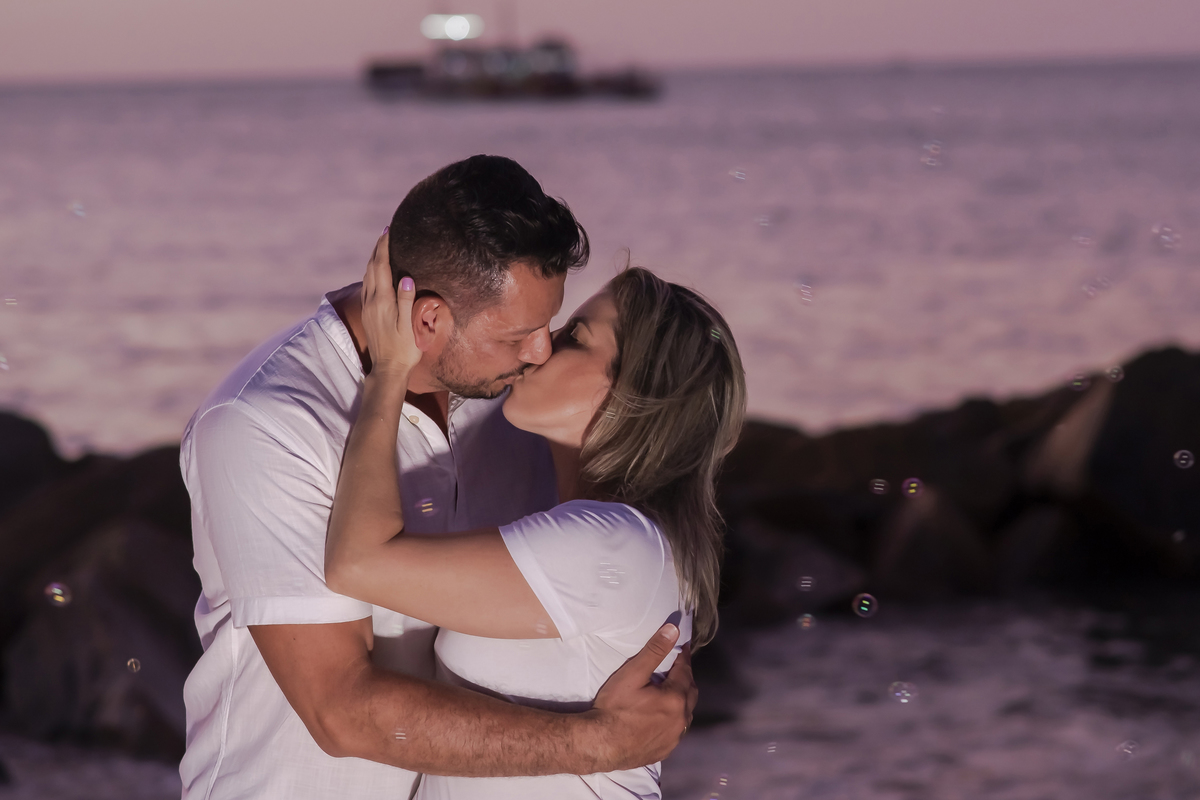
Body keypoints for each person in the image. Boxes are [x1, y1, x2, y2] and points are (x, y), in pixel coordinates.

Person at [179, 155, 696, 800]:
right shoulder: (266, 424)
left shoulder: (514, 408)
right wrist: (600, 745)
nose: (541, 351)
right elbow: (339, 710)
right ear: (428, 321)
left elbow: (605, 567)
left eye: (552, 326)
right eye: (520, 334)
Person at [323, 232, 747, 798]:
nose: (540, 347)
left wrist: (389, 370)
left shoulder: (611, 544)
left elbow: (356, 563)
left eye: (575, 337)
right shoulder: (613, 534)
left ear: (633, 394)